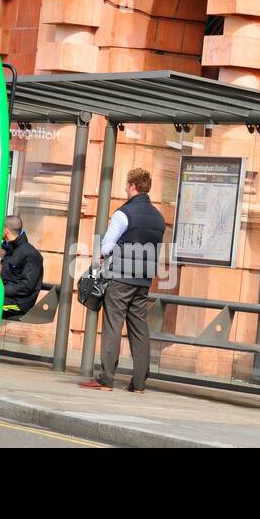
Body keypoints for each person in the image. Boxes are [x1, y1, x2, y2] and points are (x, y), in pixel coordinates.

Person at [79, 167, 166, 393]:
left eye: (127, 186)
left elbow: (106, 247)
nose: (126, 189)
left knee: (113, 325)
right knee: (139, 328)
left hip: (120, 278)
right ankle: (138, 384)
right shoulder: (159, 218)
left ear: (133, 186)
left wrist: (102, 256)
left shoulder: (123, 213)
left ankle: (106, 379)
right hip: (144, 279)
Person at [0, 215, 43, 318]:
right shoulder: (10, 249)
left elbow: (26, 287)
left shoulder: (30, 254)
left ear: (6, 230)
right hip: (6, 298)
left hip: (19, 304)